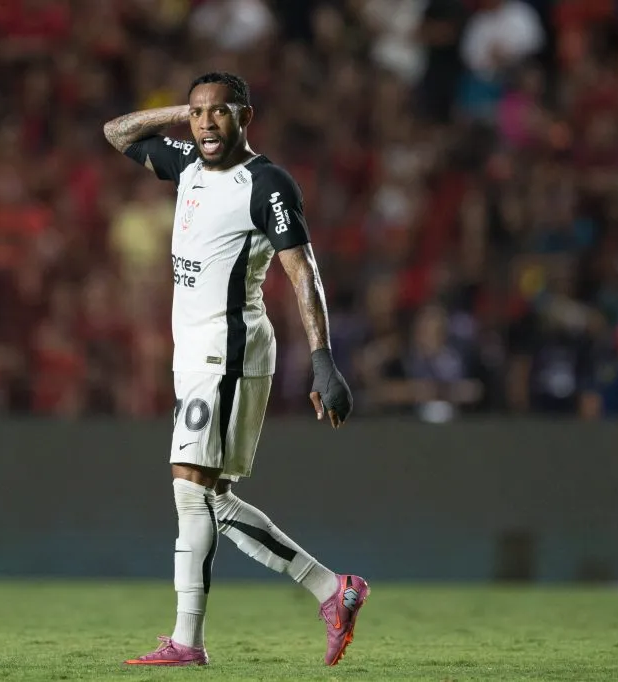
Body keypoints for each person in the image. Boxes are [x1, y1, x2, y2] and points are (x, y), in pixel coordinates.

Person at [102, 72, 367, 667]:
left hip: (229, 348)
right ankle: (334, 589)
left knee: (188, 485)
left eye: (220, 112)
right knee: (211, 497)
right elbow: (115, 132)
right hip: (194, 352)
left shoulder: (267, 184)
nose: (205, 123)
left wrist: (324, 360)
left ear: (246, 116)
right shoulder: (186, 163)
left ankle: (186, 642)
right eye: (198, 113)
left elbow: (303, 271)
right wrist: (185, 112)